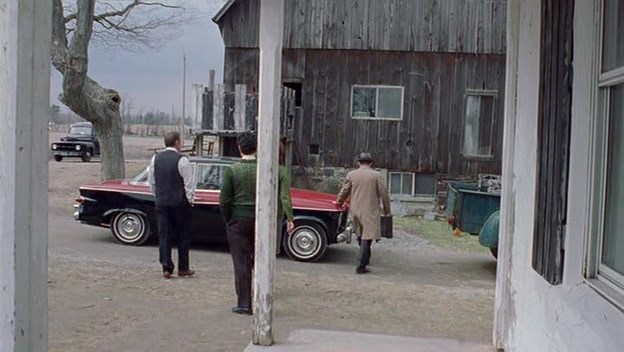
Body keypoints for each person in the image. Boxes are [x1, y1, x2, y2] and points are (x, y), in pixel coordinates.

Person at [219, 131, 294, 315]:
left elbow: (224, 199)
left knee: (241, 262)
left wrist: (227, 218)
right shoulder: (266, 169)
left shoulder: (232, 170)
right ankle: (262, 295)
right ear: (257, 148)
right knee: (261, 259)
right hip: (262, 219)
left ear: (239, 148)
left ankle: (244, 303)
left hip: (238, 219)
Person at [148, 131, 195, 279]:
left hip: (162, 202)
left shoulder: (155, 158)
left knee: (164, 235)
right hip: (179, 203)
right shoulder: (182, 160)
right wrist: (190, 200)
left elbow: (152, 181)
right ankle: (183, 267)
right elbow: (189, 183)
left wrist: (157, 196)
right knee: (183, 235)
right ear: (176, 142)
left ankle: (166, 267)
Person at [336, 152, 391, 274]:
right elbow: (384, 194)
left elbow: (345, 190)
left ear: (358, 162)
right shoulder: (376, 176)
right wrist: (387, 210)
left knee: (360, 235)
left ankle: (365, 258)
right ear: (371, 163)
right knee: (368, 236)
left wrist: (339, 201)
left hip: (355, 209)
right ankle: (361, 265)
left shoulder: (352, 174)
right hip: (370, 211)